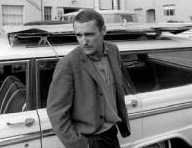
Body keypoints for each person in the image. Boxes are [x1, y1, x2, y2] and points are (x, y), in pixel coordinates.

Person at [47, 9, 130, 148]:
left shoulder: (113, 50)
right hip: (89, 140)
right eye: (79, 35)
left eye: (89, 34)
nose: (83, 41)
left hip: (111, 134)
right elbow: (56, 112)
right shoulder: (68, 64)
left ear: (103, 30)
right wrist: (79, 145)